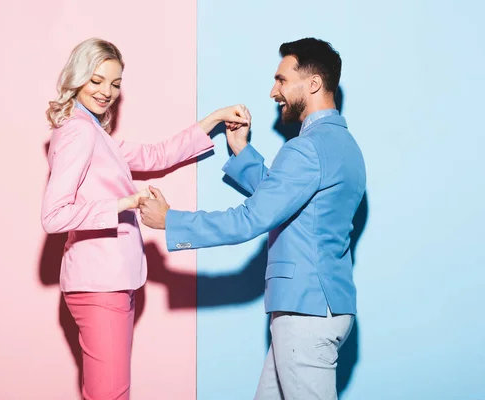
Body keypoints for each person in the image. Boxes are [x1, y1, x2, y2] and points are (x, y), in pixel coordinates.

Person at [139, 38, 366, 400]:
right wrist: (242, 151)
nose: (273, 90)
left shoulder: (306, 148)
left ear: (312, 84)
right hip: (319, 306)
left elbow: (250, 219)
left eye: (281, 79)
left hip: (304, 312)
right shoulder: (343, 146)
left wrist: (171, 220)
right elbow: (285, 199)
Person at [40, 38, 249, 400]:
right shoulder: (78, 132)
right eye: (97, 80)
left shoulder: (93, 132)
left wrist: (214, 119)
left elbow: (156, 155)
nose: (107, 92)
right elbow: (53, 216)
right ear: (78, 78)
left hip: (108, 282)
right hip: (99, 284)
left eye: (115, 84)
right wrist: (124, 202)